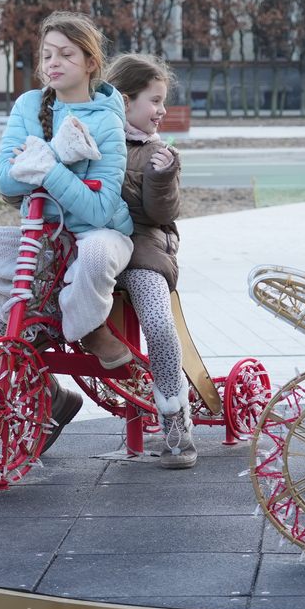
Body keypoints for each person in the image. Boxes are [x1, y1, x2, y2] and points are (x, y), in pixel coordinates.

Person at [0, 13, 134, 437]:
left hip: (99, 233)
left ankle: (87, 331)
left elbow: (99, 209)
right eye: (47, 54)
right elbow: (5, 177)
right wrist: (55, 155)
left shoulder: (106, 119)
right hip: (43, 236)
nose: (53, 62)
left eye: (66, 54)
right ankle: (51, 314)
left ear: (90, 62)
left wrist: (46, 170)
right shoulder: (29, 105)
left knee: (92, 255)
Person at [104, 53, 196, 469]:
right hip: (93, 249)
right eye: (154, 101)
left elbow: (162, 215)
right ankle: (47, 396)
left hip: (141, 251)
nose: (161, 111)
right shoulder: (94, 139)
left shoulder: (157, 153)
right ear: (125, 101)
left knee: (158, 324)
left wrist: (161, 176)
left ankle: (175, 415)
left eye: (162, 101)